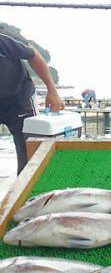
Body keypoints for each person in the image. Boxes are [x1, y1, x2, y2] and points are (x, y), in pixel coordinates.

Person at [0, 32, 64, 173]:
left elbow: (34, 55)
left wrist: (52, 90)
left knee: (29, 155)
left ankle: (28, 192)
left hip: (19, 98)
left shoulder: (3, 41)